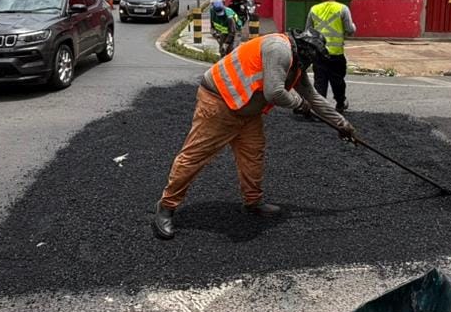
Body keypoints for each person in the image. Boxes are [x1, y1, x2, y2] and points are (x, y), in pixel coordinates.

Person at [152, 30, 357, 240]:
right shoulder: (280, 50)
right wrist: (299, 104)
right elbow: (274, 93)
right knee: (194, 157)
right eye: (313, 58)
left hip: (247, 111)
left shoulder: (295, 65)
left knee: (253, 156)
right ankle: (166, 207)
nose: (313, 63)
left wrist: (342, 124)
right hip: (219, 104)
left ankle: (253, 202)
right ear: (306, 50)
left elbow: (313, 97)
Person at [307, 0, 356, 113]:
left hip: (319, 53)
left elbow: (308, 30)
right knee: (338, 80)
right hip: (336, 53)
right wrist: (353, 27)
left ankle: (320, 110)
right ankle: (340, 103)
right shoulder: (343, 9)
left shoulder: (314, 9)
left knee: (320, 81)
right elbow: (350, 30)